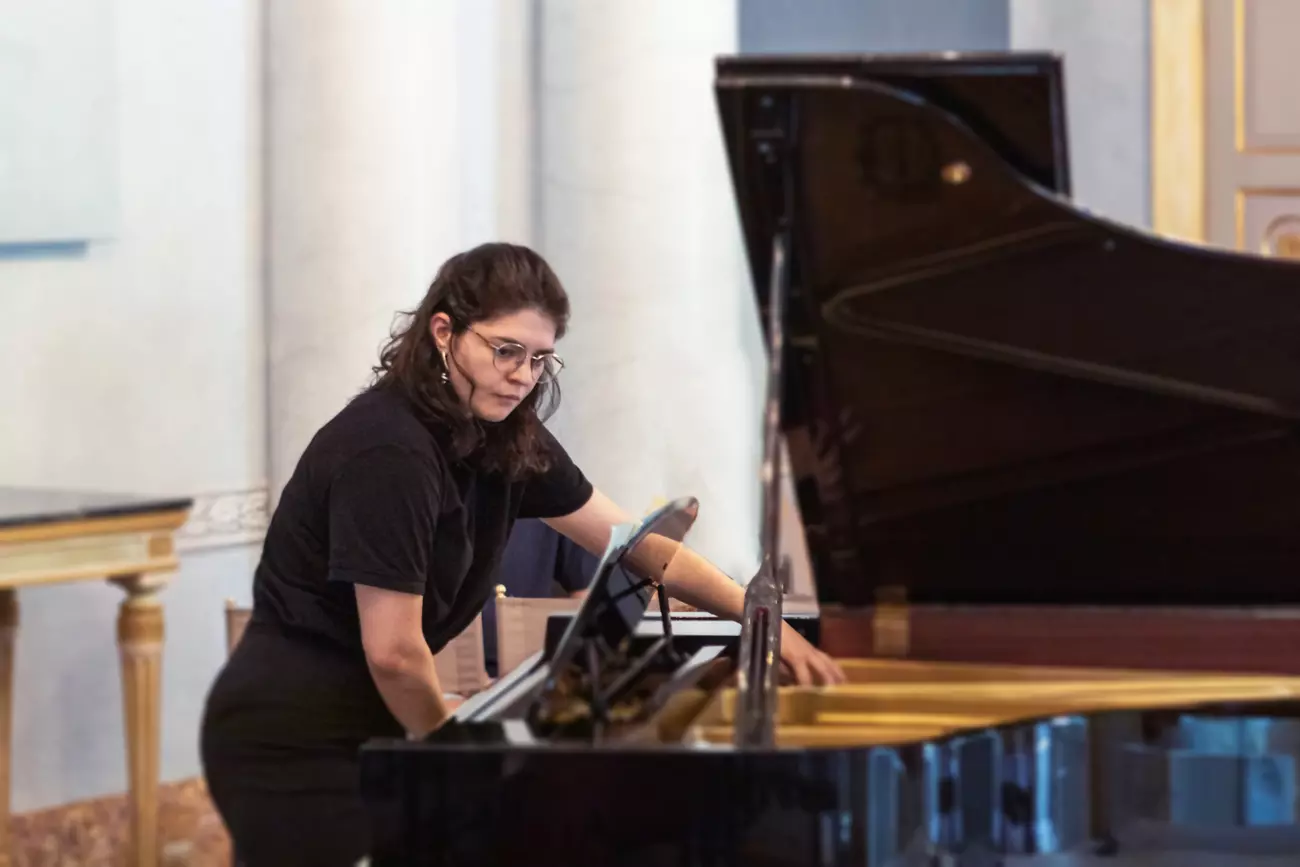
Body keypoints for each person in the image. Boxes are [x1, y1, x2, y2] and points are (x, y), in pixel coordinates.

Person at [199, 242, 845, 866]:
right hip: (291, 738)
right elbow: (393, 652)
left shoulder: (505, 437)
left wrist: (760, 617)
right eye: (506, 350)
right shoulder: (389, 450)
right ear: (444, 333)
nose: (523, 376)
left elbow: (641, 545)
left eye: (540, 359)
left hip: (372, 722)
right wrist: (454, 753)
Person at [481, 517, 597, 677]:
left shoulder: (556, 504)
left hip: (529, 669)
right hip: (452, 674)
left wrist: (552, 672)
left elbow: (585, 589)